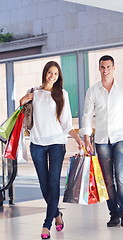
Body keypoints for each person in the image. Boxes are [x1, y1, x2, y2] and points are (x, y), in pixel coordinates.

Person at [79, 55, 123, 227]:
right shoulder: (92, 91)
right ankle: (113, 214)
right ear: (99, 69)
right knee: (108, 179)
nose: (105, 70)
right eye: (102, 67)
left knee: (121, 177)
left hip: (121, 138)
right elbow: (86, 115)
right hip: (101, 140)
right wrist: (86, 137)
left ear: (114, 68)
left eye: (108, 67)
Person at [20, 61, 84, 239]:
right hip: (37, 144)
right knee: (44, 185)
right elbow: (23, 118)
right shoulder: (34, 92)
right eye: (50, 72)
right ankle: (57, 214)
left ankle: (46, 225)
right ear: (45, 73)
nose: (52, 76)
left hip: (57, 143)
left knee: (53, 184)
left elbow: (67, 124)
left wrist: (78, 138)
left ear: (59, 76)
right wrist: (21, 101)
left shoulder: (62, 94)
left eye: (55, 74)